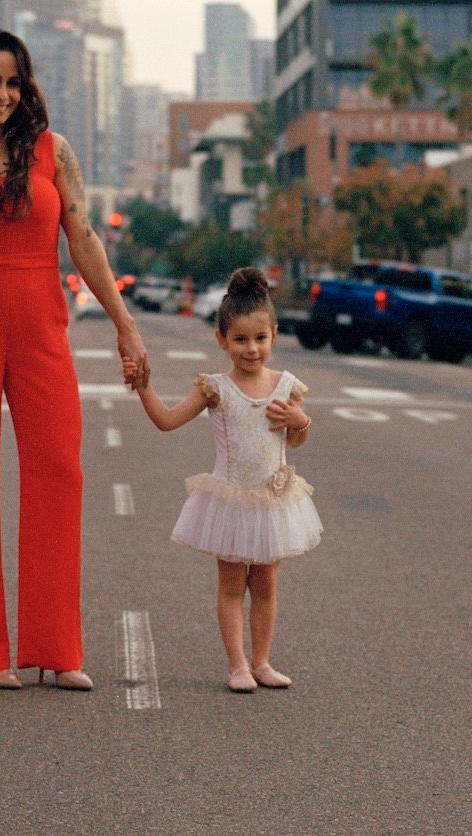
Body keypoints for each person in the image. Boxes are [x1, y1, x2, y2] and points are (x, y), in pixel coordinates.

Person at [0, 29, 150, 691]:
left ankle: (56, 647)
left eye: (13, 82)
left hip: (41, 323)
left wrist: (126, 326)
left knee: (58, 470)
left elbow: (85, 239)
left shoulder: (51, 152)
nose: (2, 94)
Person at [125, 266, 321, 692]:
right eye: (240, 340)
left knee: (266, 585)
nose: (251, 350)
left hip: (271, 500)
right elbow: (166, 420)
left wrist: (301, 420)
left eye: (260, 339)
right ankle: (237, 665)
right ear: (222, 340)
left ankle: (262, 661)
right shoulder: (214, 388)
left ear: (273, 335)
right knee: (232, 585)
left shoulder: (286, 386)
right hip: (231, 500)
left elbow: (296, 440)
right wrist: (144, 388)